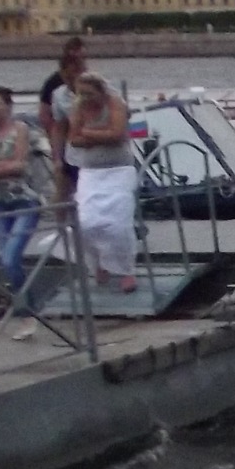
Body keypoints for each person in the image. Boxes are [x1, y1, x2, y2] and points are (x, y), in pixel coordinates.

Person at [66, 71, 140, 293]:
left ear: (100, 91)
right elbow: (74, 139)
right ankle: (98, 263)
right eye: (81, 93)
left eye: (89, 93)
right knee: (86, 222)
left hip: (119, 170)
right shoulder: (78, 108)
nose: (85, 98)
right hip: (91, 172)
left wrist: (88, 133)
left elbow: (117, 134)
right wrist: (100, 134)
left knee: (118, 224)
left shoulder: (115, 103)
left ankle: (126, 270)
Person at [0, 85, 45, 298]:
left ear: (8, 106)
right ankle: (26, 305)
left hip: (25, 200)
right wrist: (4, 165)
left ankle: (26, 307)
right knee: (7, 259)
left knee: (9, 258)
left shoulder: (19, 129)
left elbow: (20, 166)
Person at [38, 37, 87, 199]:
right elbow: (47, 116)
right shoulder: (55, 87)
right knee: (62, 191)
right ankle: (62, 216)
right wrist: (56, 153)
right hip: (68, 145)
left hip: (90, 147)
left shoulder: (95, 85)